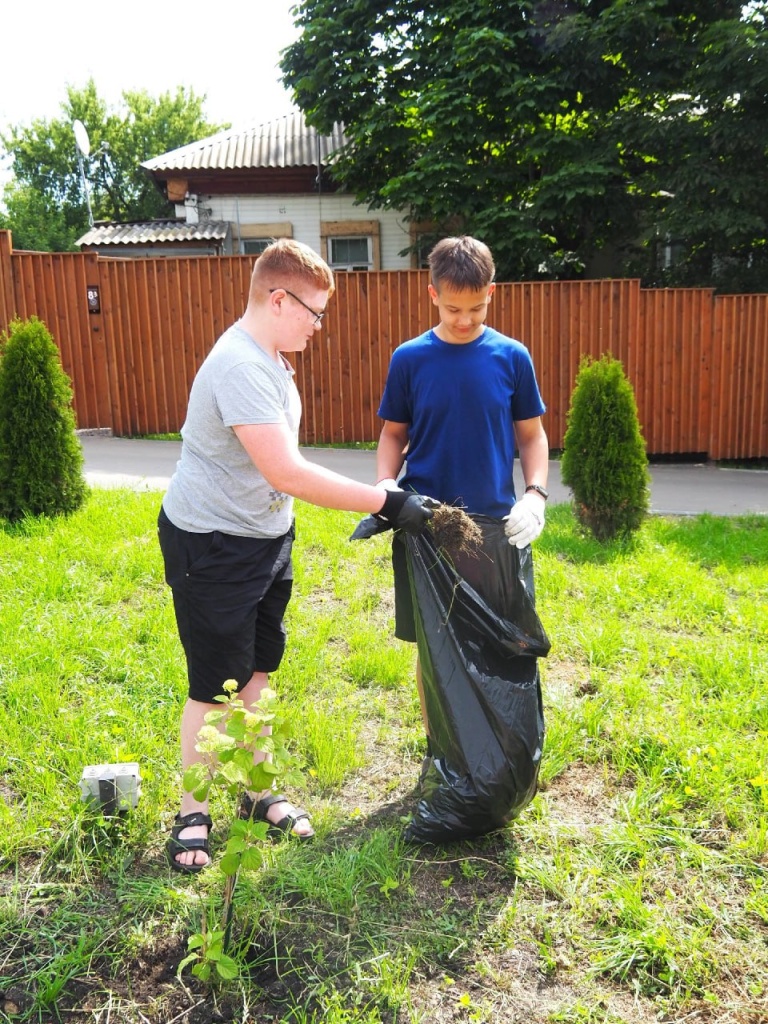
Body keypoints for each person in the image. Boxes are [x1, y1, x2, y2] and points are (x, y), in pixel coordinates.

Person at [158, 238, 433, 873]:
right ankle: (191, 812)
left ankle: (257, 797)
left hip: (265, 541)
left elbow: (284, 468)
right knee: (212, 687)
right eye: (315, 313)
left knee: (256, 675)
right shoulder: (240, 367)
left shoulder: (273, 358)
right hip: (213, 545)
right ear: (279, 299)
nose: (318, 327)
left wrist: (378, 493)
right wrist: (385, 502)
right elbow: (286, 471)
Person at [375, 234, 549, 741]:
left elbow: (533, 437)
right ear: (433, 296)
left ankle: (494, 750)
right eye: (453, 308)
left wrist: (535, 493)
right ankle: (445, 754)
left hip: (494, 529)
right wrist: (386, 483)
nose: (465, 319)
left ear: (491, 293)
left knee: (497, 643)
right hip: (425, 527)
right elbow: (393, 434)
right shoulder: (409, 359)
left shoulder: (512, 358)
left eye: (476, 307)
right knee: (435, 645)